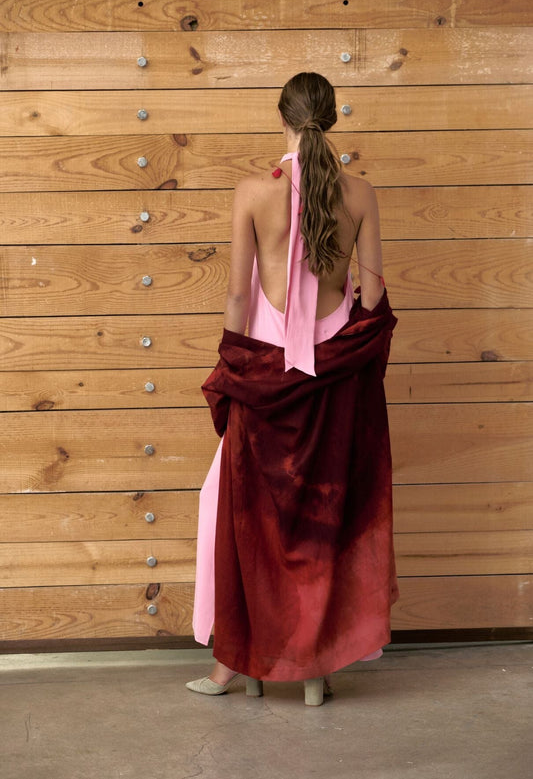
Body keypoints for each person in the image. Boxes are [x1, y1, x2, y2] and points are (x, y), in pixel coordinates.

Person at [186, 72, 398, 706]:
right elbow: (373, 295)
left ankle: (236, 665)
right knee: (320, 516)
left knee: (242, 513)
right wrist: (345, 354)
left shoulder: (254, 192)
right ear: (331, 118)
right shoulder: (360, 193)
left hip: (264, 371)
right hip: (336, 373)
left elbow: (237, 295)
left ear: (281, 117)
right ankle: (313, 671)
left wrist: (234, 367)